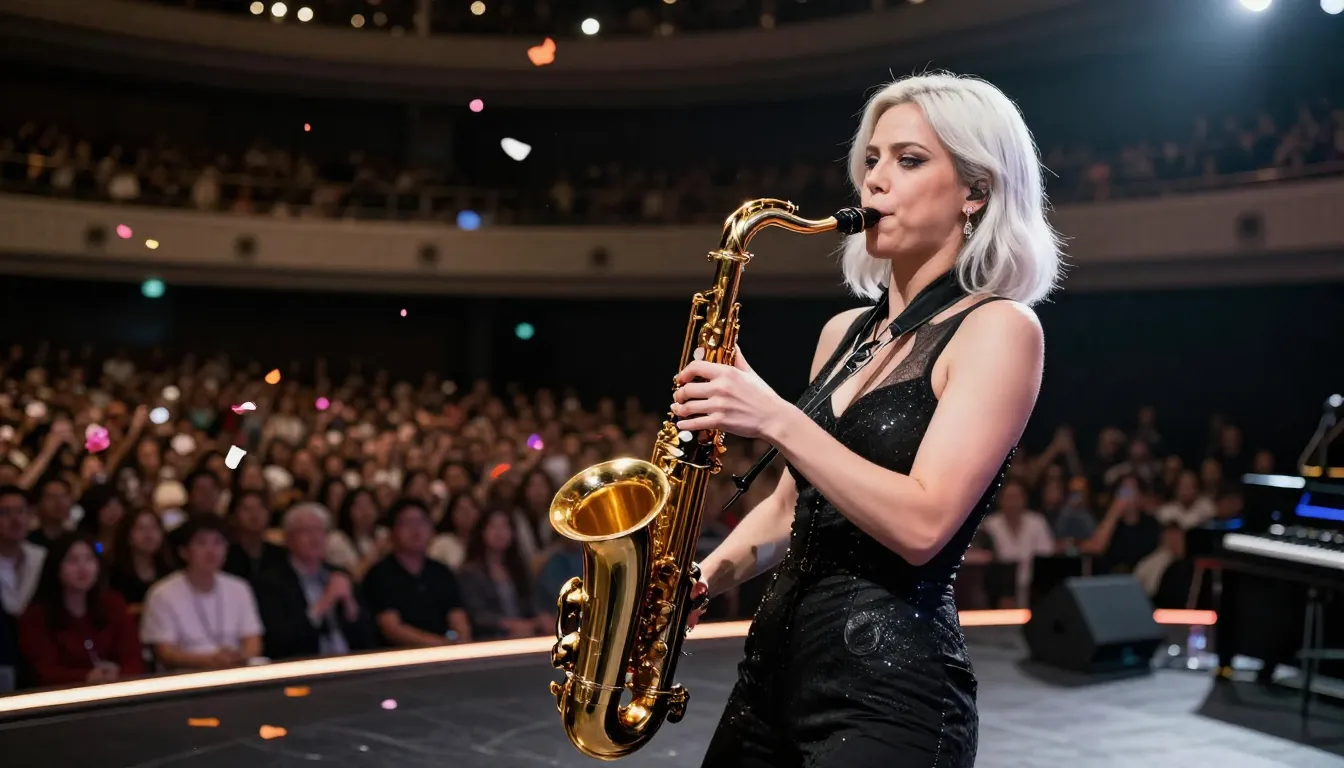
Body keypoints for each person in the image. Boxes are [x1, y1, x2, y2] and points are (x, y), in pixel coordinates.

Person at [671, 72, 1061, 767]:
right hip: (769, 682)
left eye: (909, 160)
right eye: (872, 159)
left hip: (891, 700)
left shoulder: (1000, 328)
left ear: (976, 191)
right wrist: (695, 581)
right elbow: (789, 510)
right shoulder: (843, 333)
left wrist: (776, 416)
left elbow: (923, 526)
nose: (874, 180)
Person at [139, 514, 264, 670]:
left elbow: (253, 641)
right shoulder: (162, 594)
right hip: (187, 675)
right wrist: (210, 660)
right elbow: (166, 652)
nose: (211, 551)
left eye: (218, 543)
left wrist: (239, 658)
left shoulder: (239, 588)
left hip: (236, 670)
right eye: (201, 543)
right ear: (184, 552)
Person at [18, 533, 143, 686]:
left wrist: (119, 675)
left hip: (117, 689)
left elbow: (133, 657)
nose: (83, 568)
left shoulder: (113, 603)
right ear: (56, 566)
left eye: (89, 559)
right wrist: (86, 677)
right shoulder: (36, 615)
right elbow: (43, 671)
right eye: (73, 560)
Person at [254, 503, 370, 660]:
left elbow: (366, 635)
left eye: (320, 530)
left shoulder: (339, 574)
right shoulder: (270, 582)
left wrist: (349, 602)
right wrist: (324, 603)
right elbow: (280, 640)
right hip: (303, 666)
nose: (315, 538)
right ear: (288, 538)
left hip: (349, 662)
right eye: (306, 531)